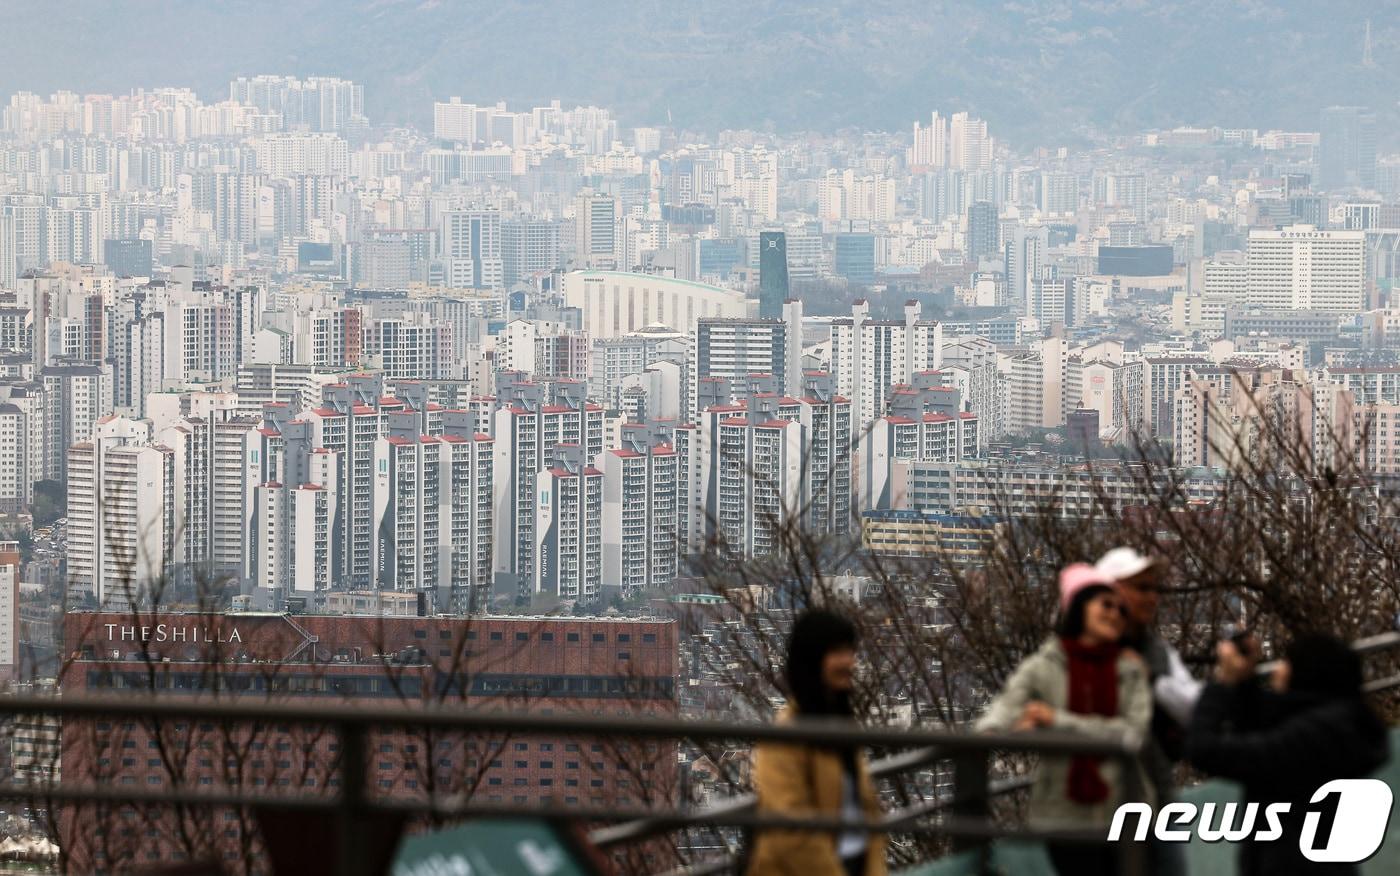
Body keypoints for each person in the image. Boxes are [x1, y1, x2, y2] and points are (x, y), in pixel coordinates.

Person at [975, 564, 1153, 876]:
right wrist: (995, 731)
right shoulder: (1046, 665)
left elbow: (1133, 732)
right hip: (1063, 812)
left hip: (1124, 808)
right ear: (1079, 609)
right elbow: (1006, 705)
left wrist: (1057, 720)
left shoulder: (1129, 670)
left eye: (1120, 609)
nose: (1115, 614)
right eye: (1105, 605)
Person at [1187, 632, 1390, 876]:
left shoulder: (1311, 740)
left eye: (1287, 662)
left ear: (1307, 673)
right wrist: (1245, 686)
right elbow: (1270, 727)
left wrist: (1222, 684)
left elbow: (1205, 749)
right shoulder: (1338, 729)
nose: (1278, 669)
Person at [747, 609, 886, 876]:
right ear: (812, 660)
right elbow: (791, 830)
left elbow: (868, 811)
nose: (849, 662)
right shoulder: (785, 735)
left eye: (850, 651)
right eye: (837, 652)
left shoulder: (841, 725)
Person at [1096, 547, 1201, 875]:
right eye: (1141, 588)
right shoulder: (1082, 652)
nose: (1152, 598)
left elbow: (1191, 705)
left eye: (1154, 589)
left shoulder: (1154, 650)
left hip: (1155, 796)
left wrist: (1151, 681)